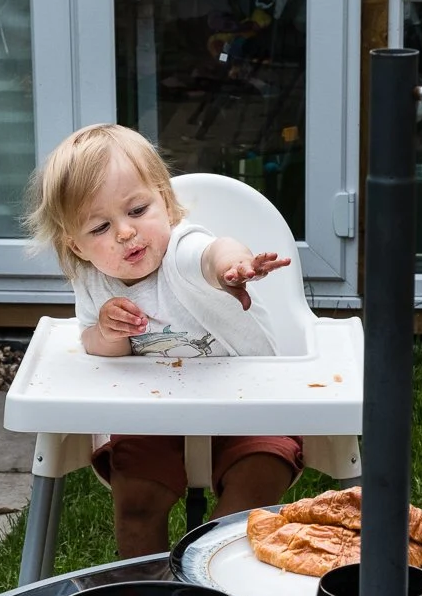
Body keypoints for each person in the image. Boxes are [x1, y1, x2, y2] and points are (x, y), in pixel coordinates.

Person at [25, 124, 302, 557]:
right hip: (150, 412)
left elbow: (211, 253)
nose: (124, 232)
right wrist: (105, 332)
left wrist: (234, 266)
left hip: (247, 399)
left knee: (255, 482)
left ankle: (214, 575)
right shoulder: (93, 281)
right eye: (100, 227)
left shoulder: (181, 249)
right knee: (135, 505)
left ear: (166, 204)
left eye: (137, 210)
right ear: (75, 246)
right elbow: (97, 350)